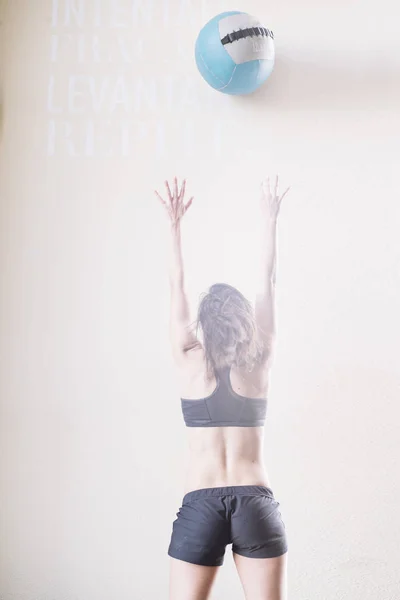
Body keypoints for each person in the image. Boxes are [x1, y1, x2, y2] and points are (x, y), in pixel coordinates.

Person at [155, 176, 290, 600]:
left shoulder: (188, 358)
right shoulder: (260, 357)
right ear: (244, 321)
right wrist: (270, 220)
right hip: (255, 502)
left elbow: (176, 283)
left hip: (201, 501)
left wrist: (174, 225)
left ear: (204, 323)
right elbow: (267, 282)